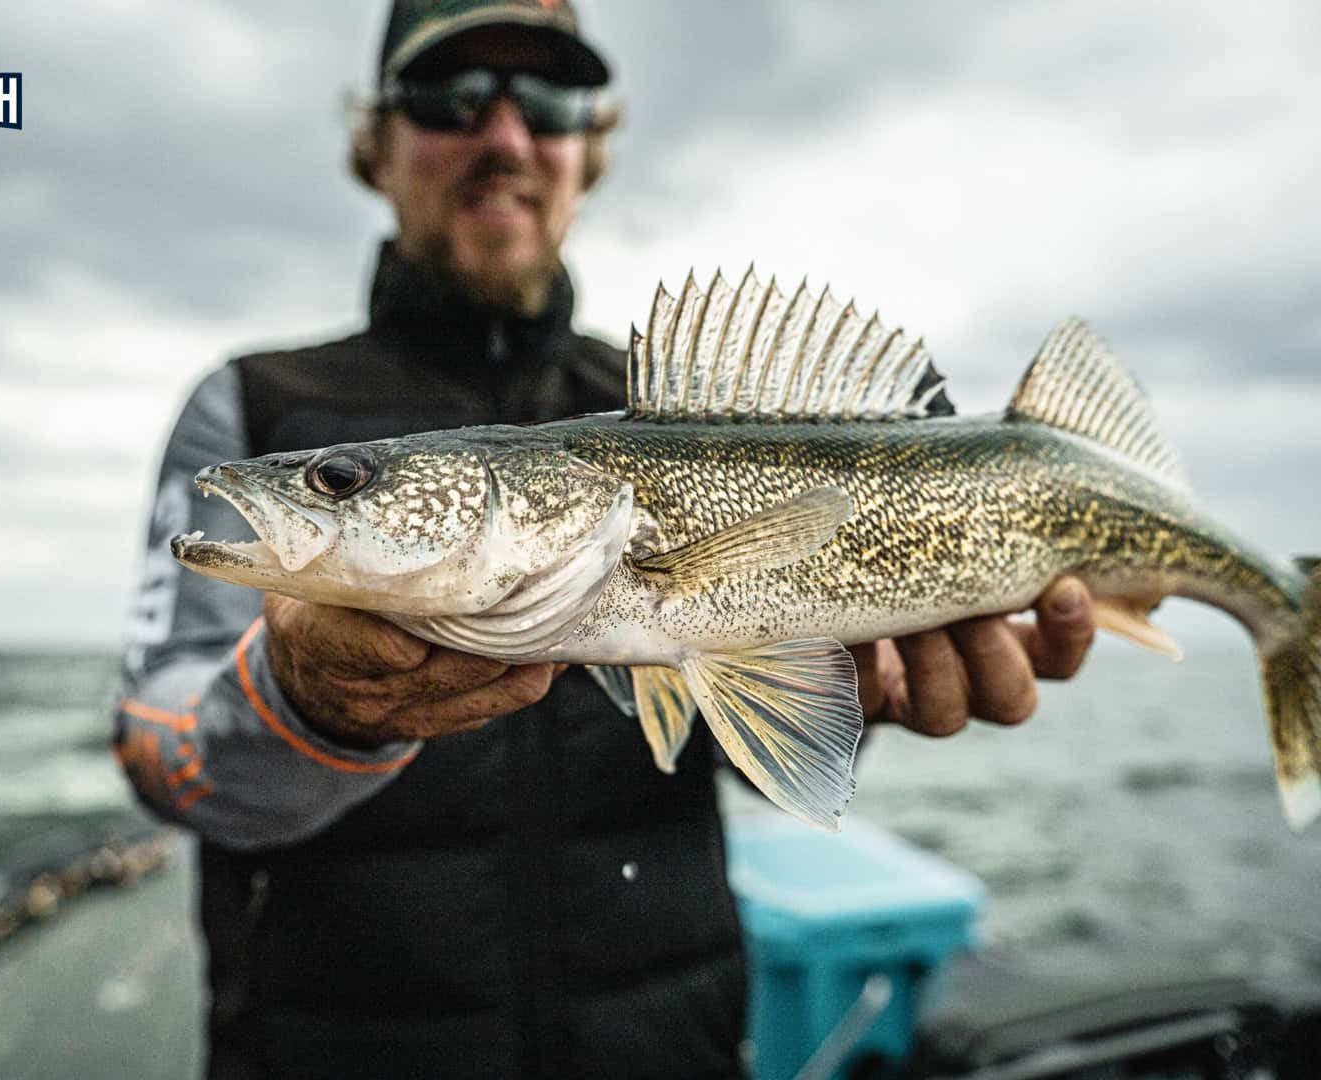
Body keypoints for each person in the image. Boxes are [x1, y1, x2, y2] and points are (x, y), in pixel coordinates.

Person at [114, 2, 1096, 1076]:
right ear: (377, 141)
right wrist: (300, 703)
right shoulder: (250, 406)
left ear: (589, 148)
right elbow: (161, 751)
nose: (505, 138)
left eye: (549, 102)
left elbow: (767, 738)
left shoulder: (677, 416)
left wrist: (863, 696)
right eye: (451, 97)